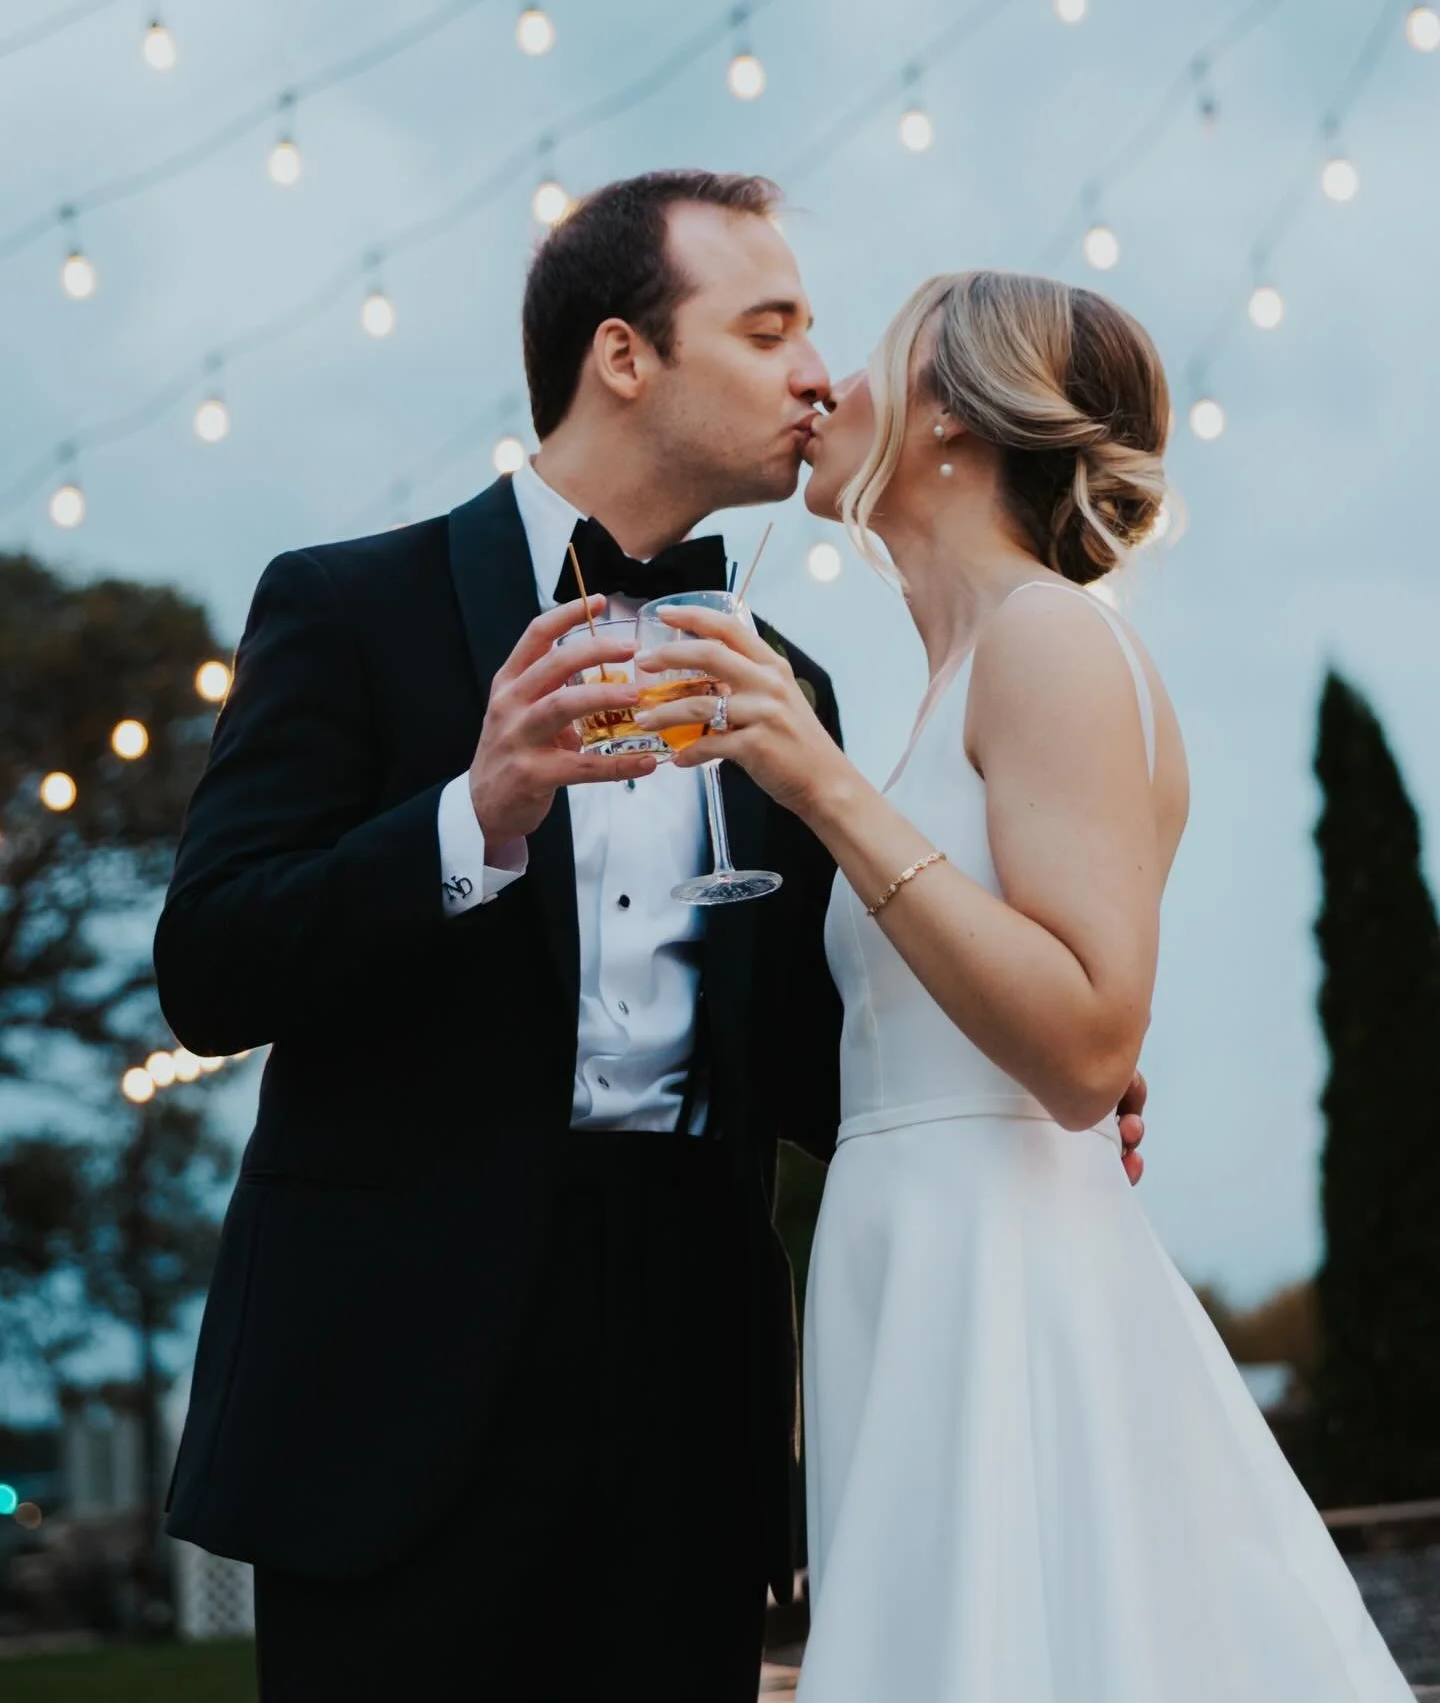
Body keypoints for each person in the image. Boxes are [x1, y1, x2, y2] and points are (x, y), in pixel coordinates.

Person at [155, 175, 1145, 1702]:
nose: (821, 376)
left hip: (693, 1393)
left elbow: (803, 1054)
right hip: (393, 1390)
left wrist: (994, 1058)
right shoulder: (351, 608)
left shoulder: (788, 686)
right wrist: (468, 815)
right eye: (771, 330)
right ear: (626, 357)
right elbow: (209, 968)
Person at [636, 269, 1411, 1701]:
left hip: (1002, 1280)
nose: (825, 390)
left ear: (948, 424)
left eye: (865, 362)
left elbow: (1083, 1044)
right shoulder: (958, 674)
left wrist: (813, 780)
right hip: (907, 1261)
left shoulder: (1050, 638)